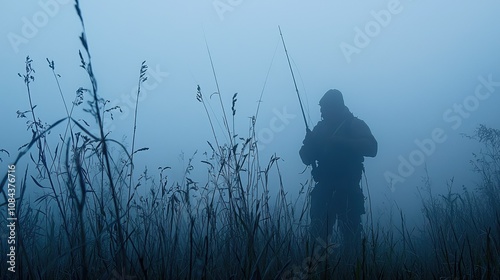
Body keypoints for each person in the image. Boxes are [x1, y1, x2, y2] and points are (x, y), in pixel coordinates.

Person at [299, 89, 377, 253]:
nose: (321, 112)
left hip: (348, 189)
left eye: (325, 108)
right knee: (317, 236)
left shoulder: (353, 124)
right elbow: (306, 158)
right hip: (324, 188)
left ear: (337, 107)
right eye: (321, 108)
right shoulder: (320, 129)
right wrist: (309, 146)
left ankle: (353, 269)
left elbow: (372, 148)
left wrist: (341, 142)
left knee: (351, 238)